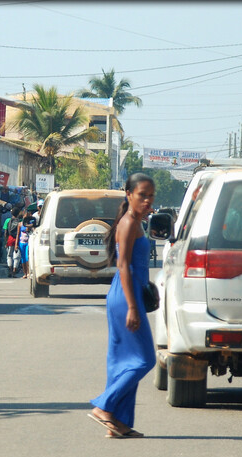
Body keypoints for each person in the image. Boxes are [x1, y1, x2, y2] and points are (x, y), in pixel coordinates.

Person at [89, 173, 156, 439]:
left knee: (122, 361)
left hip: (128, 294)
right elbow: (123, 265)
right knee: (145, 359)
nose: (148, 200)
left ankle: (118, 422)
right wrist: (132, 306)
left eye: (151, 195)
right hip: (125, 297)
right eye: (143, 195)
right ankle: (104, 406)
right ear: (128, 194)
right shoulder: (128, 223)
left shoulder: (136, 222)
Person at [4, 208, 22, 276]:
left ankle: (10, 270)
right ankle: (14, 271)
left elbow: (5, 232)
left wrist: (6, 241)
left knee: (9, 255)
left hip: (10, 239)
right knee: (17, 256)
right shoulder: (20, 221)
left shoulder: (8, 220)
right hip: (18, 239)